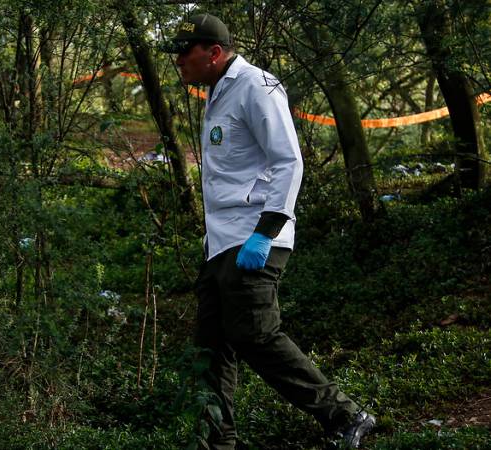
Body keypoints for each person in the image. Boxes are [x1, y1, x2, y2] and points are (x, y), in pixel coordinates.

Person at [159, 13, 375, 449]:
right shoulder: (217, 92)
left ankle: (346, 416)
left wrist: (267, 229)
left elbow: (287, 161)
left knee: (254, 333)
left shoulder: (257, 86)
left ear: (213, 52)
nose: (178, 60)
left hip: (255, 236)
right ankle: (220, 442)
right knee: (210, 349)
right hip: (220, 242)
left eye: (186, 52)